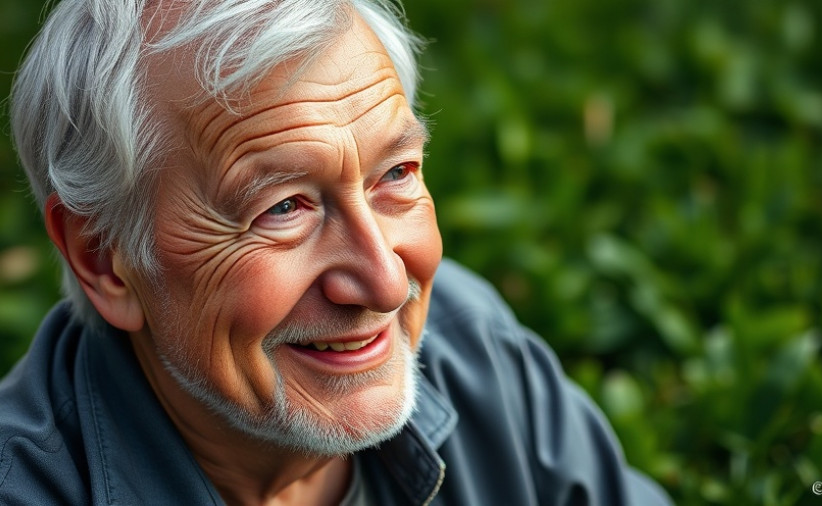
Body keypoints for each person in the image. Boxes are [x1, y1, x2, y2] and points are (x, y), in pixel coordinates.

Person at [0, 0, 671, 504]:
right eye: (283, 208)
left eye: (396, 174)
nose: (384, 284)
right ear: (103, 258)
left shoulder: (472, 348)